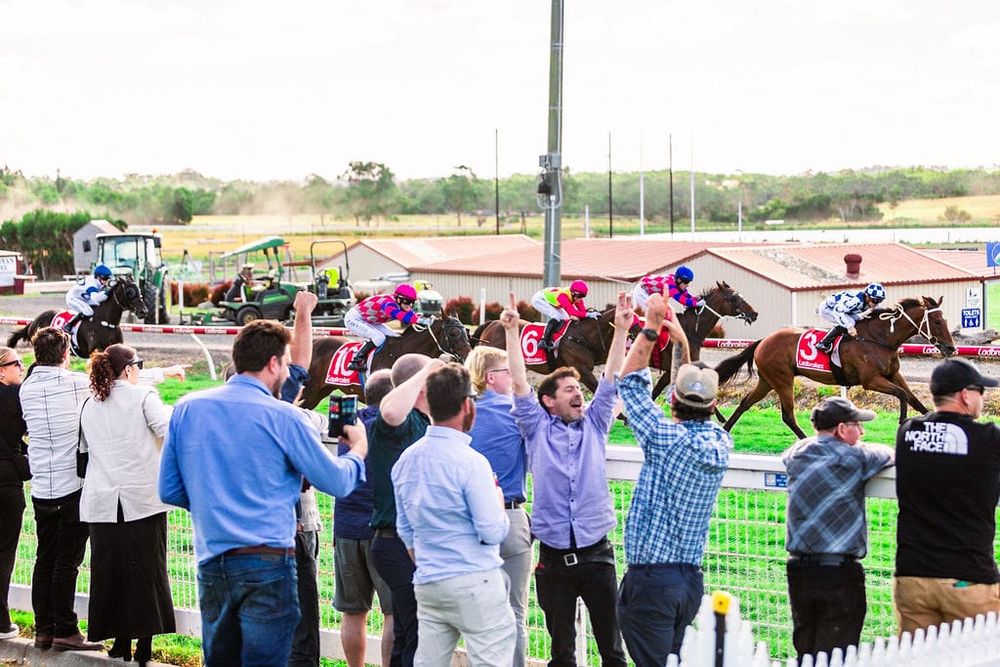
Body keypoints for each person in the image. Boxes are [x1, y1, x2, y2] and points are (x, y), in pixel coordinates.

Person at [158, 319, 368, 666]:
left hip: (212, 559)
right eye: (286, 363)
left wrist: (216, 503)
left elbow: (169, 489)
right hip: (268, 559)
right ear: (273, 364)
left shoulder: (187, 409)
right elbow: (338, 483)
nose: (288, 372)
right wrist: (357, 449)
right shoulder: (286, 417)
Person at [502, 290, 630, 667]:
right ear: (549, 401)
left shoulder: (595, 423)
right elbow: (520, 384)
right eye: (571, 390)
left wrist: (621, 331)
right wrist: (512, 333)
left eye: (579, 390)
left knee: (612, 649)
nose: (580, 394)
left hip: (598, 554)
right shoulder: (536, 427)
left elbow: (610, 380)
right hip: (554, 559)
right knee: (562, 653)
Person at [613, 293, 731, 665]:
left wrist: (649, 327)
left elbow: (629, 382)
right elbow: (696, 393)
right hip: (687, 584)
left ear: (673, 402)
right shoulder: (720, 442)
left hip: (652, 582)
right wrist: (681, 342)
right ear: (713, 407)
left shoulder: (664, 438)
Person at [392, 362, 515, 665]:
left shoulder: (406, 460)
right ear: (467, 405)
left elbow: (405, 531)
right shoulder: (472, 462)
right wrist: (499, 505)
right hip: (474, 577)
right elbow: (492, 531)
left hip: (430, 580)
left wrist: (431, 561)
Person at [79, 344, 176, 665]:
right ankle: (143, 649)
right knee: (146, 573)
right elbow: (167, 430)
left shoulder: (90, 404)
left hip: (102, 502)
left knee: (111, 574)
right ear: (130, 369)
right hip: (141, 499)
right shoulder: (144, 396)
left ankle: (119, 643)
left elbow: (83, 451)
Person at [893, 358, 1000, 635]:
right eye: (981, 391)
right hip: (967, 579)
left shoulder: (908, 433)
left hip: (912, 576)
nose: (983, 399)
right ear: (966, 394)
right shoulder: (989, 437)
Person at [783, 397, 894, 661]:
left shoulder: (797, 453)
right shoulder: (855, 456)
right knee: (837, 654)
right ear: (842, 429)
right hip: (839, 574)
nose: (862, 432)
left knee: (806, 649)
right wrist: (859, 446)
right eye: (857, 426)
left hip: (799, 571)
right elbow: (890, 453)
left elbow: (789, 453)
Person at [17, 327, 104, 651]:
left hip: (41, 486)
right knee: (67, 563)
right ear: (66, 354)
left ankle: (44, 629)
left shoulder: (26, 388)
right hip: (72, 486)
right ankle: (66, 630)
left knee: (45, 558)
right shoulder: (76, 384)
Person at [369, 354, 439, 666]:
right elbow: (391, 409)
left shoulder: (425, 423)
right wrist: (428, 369)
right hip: (396, 543)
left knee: (409, 631)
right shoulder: (402, 422)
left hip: (409, 542)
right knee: (418, 633)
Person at [464, 346, 531, 667]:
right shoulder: (515, 411)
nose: (516, 377)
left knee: (478, 610)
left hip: (469, 521)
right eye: (509, 371)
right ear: (491, 378)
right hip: (511, 515)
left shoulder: (462, 415)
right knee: (515, 610)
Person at [337, 369, 395, 667]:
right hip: (383, 530)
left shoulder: (349, 423)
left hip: (346, 526)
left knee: (353, 611)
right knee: (393, 611)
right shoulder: (396, 426)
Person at [0, 347, 28, 641]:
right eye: (16, 363)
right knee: (4, 554)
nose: (21, 367)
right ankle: (1, 620)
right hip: (7, 484)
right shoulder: (15, 397)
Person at [345, 284, 430, 371]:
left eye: (412, 302)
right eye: (407, 301)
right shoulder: (388, 303)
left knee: (393, 335)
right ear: (398, 298)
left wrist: (423, 319)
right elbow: (400, 315)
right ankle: (355, 361)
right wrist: (419, 320)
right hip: (354, 318)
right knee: (379, 337)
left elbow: (411, 316)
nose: (410, 305)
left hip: (371, 320)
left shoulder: (400, 303)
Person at [814, 282, 886, 353]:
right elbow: (838, 311)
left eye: (879, 301)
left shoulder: (868, 300)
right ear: (867, 296)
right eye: (875, 300)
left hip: (844, 310)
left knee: (859, 320)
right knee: (850, 322)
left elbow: (879, 310)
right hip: (828, 309)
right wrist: (849, 327)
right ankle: (824, 343)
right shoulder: (856, 301)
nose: (876, 303)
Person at [531, 279, 599, 351]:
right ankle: (543, 341)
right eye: (580, 296)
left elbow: (582, 311)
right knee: (557, 316)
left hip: (552, 301)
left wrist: (590, 314)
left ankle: (557, 338)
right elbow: (572, 312)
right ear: (573, 293)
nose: (581, 299)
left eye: (583, 296)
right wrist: (587, 314)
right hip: (539, 300)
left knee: (565, 318)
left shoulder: (576, 296)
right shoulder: (563, 296)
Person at [62, 263, 113, 333]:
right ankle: (68, 325)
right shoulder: (92, 283)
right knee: (88, 312)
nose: (107, 281)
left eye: (108, 278)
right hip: (73, 298)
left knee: (98, 307)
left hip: (85, 298)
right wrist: (107, 292)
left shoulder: (99, 281)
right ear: (98, 277)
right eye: (105, 278)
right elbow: (96, 298)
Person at [631, 266, 702, 313]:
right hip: (641, 292)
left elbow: (685, 294)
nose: (687, 285)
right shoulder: (669, 285)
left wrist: (695, 299)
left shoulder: (675, 281)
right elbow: (680, 299)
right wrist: (695, 304)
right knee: (654, 313)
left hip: (648, 292)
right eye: (686, 282)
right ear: (679, 279)